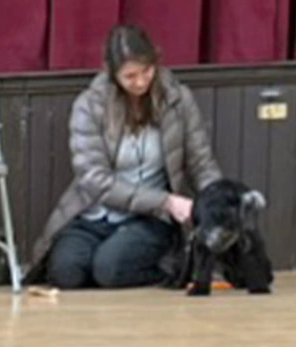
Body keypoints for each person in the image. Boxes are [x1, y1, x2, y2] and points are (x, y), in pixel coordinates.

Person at [27, 25, 223, 290]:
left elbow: (201, 162)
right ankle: (108, 262)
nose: (141, 82)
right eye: (130, 76)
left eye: (147, 71)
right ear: (112, 73)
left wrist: (219, 204)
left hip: (151, 217)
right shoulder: (89, 105)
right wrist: (167, 200)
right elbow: (94, 180)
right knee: (65, 272)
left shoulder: (179, 100)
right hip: (95, 213)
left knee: (109, 269)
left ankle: (168, 267)